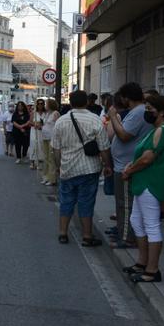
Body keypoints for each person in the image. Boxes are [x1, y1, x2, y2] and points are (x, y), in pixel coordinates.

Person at [121, 95, 164, 282]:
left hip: (151, 183)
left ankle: (152, 270)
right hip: (144, 182)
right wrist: (133, 166)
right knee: (137, 221)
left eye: (150, 108)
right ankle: (142, 262)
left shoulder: (161, 131)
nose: (147, 112)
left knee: (151, 225)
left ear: (161, 112)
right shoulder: (158, 130)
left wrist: (130, 170)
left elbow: (148, 158)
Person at [52, 90, 113, 247]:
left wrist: (59, 166)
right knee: (86, 202)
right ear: (86, 102)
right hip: (89, 168)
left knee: (66, 201)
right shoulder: (95, 120)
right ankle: (87, 236)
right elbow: (104, 146)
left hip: (67, 168)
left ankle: (62, 233)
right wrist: (107, 165)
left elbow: (56, 149)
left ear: (70, 103)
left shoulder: (61, 121)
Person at [108, 82, 153, 249]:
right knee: (122, 202)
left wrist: (113, 116)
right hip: (123, 164)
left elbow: (124, 135)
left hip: (126, 166)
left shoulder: (138, 112)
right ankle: (122, 230)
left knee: (125, 203)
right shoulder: (136, 112)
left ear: (127, 97)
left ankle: (127, 237)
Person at [40, 98, 60, 186]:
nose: (45, 106)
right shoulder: (47, 114)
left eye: (46, 104)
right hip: (45, 137)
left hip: (52, 138)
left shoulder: (55, 113)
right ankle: (46, 177)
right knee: (46, 157)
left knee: (51, 158)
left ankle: (52, 178)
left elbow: (57, 125)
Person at [28, 99, 47, 170]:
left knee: (41, 145)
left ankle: (39, 162)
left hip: (42, 131)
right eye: (39, 104)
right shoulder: (33, 113)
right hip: (34, 131)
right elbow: (30, 122)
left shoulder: (46, 113)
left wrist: (42, 125)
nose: (40, 105)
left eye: (42, 104)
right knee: (33, 144)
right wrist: (35, 124)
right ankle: (32, 161)